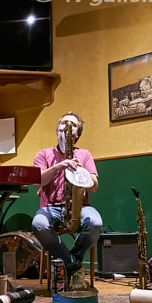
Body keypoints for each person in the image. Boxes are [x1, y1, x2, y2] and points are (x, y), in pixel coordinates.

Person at [31, 112, 103, 290]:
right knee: (38, 224)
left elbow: (93, 186)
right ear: (57, 130)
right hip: (51, 207)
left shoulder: (84, 154)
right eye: (64, 123)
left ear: (77, 134)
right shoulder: (43, 154)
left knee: (95, 222)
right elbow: (36, 182)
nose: (67, 126)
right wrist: (58, 166)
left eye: (73, 124)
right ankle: (74, 266)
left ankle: (70, 262)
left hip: (81, 206)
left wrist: (82, 172)